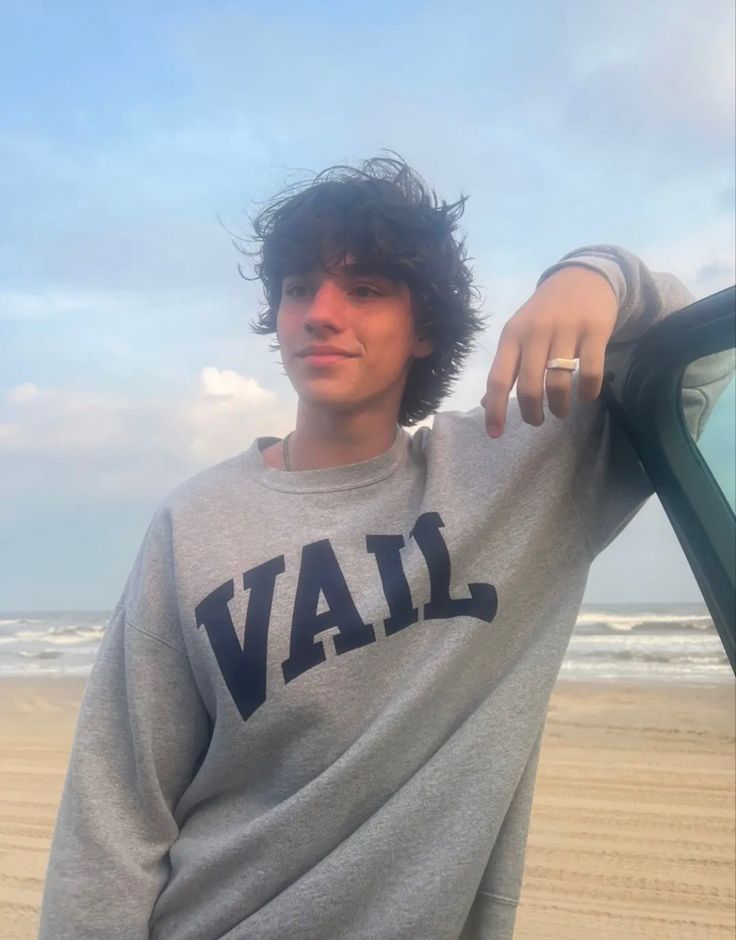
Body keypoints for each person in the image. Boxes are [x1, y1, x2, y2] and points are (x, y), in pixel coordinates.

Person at [37, 155, 732, 940]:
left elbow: (695, 365)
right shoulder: (193, 521)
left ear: (425, 328)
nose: (320, 313)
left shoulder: (514, 478)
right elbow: (116, 808)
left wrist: (594, 275)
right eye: (300, 287)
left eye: (364, 289)